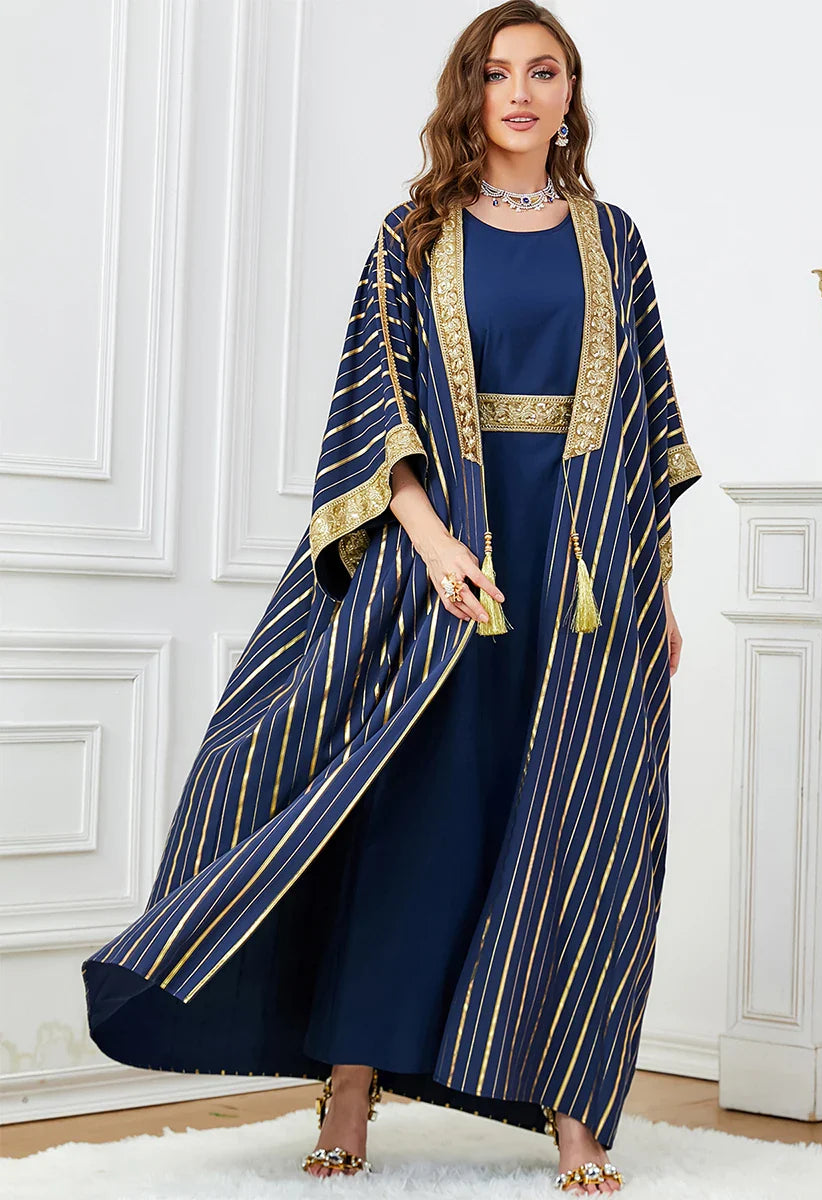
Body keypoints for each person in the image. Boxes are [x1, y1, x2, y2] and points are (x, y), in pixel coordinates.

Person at [80, 2, 701, 1194]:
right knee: (411, 817)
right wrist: (433, 546)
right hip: (447, 569)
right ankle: (351, 1081)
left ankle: (576, 1107)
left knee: (581, 823)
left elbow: (644, 424)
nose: (520, 93)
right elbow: (375, 418)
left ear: (570, 94)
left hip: (583, 578)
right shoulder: (412, 237)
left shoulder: (613, 239)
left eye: (545, 71)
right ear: (469, 91)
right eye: (497, 72)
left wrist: (655, 584)